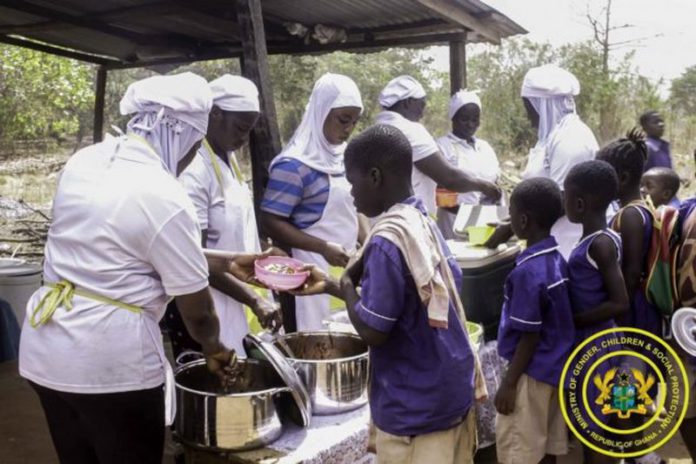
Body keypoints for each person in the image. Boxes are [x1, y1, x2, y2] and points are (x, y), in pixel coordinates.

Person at [18, 73, 238, 464]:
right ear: (182, 136)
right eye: (193, 146)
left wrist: (227, 261)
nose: (190, 160)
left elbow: (116, 250)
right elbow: (199, 315)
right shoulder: (164, 193)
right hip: (109, 364)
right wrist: (215, 349)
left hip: (45, 351)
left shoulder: (86, 160)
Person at [297, 124, 484, 463]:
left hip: (417, 410)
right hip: (448, 389)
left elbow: (373, 331)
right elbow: (403, 300)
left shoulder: (386, 241)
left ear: (374, 176)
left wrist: (348, 284)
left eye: (352, 183)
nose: (352, 195)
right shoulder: (419, 220)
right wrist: (329, 283)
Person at [167, 74, 281, 356]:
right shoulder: (194, 171)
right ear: (214, 114)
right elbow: (193, 258)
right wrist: (254, 299)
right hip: (205, 308)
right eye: (240, 128)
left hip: (237, 300)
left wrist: (265, 254)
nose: (244, 138)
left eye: (249, 130)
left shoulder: (228, 162)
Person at [260, 73, 364, 332]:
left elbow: (356, 204)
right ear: (321, 112)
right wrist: (323, 247)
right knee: (318, 342)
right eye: (343, 120)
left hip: (346, 267)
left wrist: (367, 241)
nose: (348, 129)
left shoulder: (343, 158)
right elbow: (271, 222)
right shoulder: (293, 166)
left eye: (354, 121)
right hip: (310, 272)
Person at [494, 177, 574, 464]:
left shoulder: (527, 272)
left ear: (524, 220)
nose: (509, 219)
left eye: (511, 213)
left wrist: (509, 383)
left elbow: (529, 336)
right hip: (554, 369)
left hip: (530, 374)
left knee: (520, 451)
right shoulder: (556, 258)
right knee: (547, 447)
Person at [487, 64, 599, 259]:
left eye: (529, 107)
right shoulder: (554, 136)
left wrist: (514, 227)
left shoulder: (571, 138)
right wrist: (512, 220)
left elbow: (563, 201)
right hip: (555, 241)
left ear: (542, 104)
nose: (528, 116)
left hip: (570, 245)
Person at [565, 160, 628, 464]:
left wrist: (572, 320)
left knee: (595, 426)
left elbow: (619, 301)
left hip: (595, 343)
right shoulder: (602, 237)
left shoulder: (600, 243)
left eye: (566, 195)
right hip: (602, 340)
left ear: (579, 202)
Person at [374, 75, 500, 216]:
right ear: (408, 102)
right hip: (410, 218)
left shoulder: (376, 130)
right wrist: (483, 186)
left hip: (386, 217)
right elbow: (449, 178)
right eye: (421, 105)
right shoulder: (411, 130)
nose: (422, 114)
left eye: (475, 119)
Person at [596, 131, 662, 335]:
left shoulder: (631, 215)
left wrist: (618, 314)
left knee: (636, 358)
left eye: (605, 176)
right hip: (635, 303)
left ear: (622, 178)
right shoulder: (640, 208)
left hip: (634, 307)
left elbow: (632, 273)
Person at [436, 90, 501, 240]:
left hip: (486, 224)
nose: (471, 124)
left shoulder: (485, 147)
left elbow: (496, 180)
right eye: (464, 119)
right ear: (453, 118)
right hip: (454, 225)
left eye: (475, 119)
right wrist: (471, 215)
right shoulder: (442, 147)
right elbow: (440, 196)